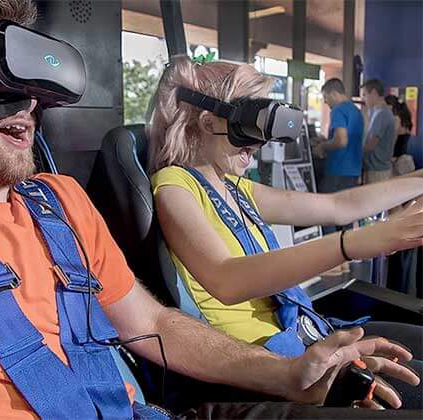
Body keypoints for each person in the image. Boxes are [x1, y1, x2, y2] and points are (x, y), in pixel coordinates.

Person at [0, 2, 419, 419]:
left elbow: (157, 327)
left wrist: (289, 375)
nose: (26, 106)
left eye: (32, 91)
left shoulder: (60, 201)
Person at [149, 58, 423, 408]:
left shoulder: (236, 187)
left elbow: (339, 207)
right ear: (207, 122)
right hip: (265, 360)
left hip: (302, 333)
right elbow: (225, 279)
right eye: (251, 127)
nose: (260, 143)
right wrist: (354, 243)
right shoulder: (175, 184)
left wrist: (418, 180)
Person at [314, 78, 364, 209]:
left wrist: (322, 146)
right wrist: (326, 140)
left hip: (338, 171)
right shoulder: (356, 111)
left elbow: (342, 141)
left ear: (334, 94)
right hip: (353, 172)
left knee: (326, 213)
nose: (325, 101)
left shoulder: (338, 110)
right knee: (346, 214)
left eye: (326, 97)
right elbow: (350, 139)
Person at [361, 79, 397, 184]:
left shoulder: (382, 114)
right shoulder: (377, 113)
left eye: (365, 94)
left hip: (377, 172)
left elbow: (371, 145)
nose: (364, 99)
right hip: (376, 169)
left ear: (374, 93)